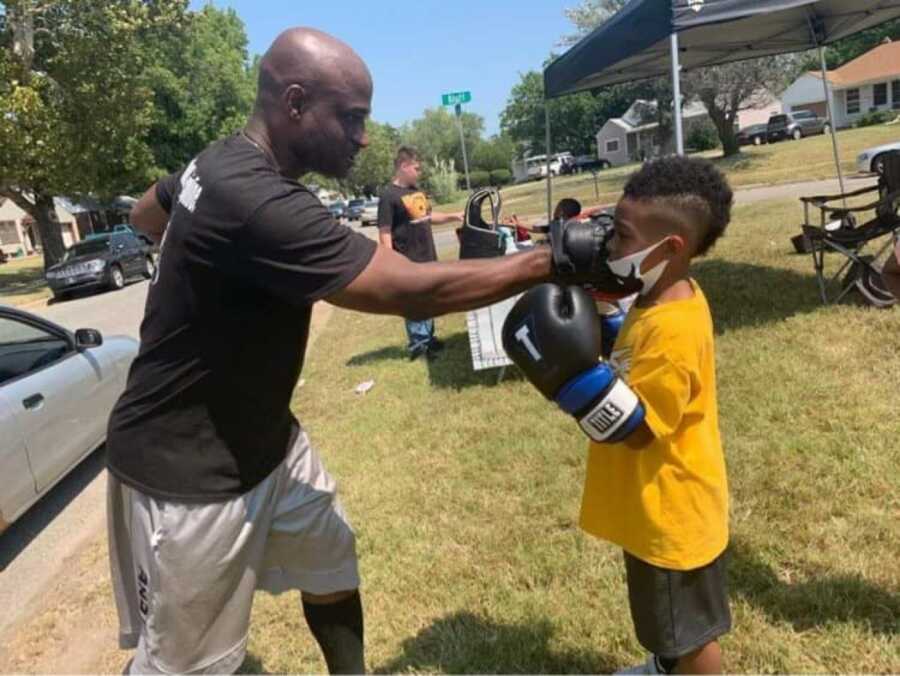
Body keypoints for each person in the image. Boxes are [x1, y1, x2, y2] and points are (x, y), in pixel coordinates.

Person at [105, 26, 613, 676]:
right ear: (294, 104)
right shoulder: (257, 200)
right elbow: (408, 291)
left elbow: (150, 211)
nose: (364, 137)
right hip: (187, 473)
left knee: (331, 562)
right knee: (188, 666)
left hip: (268, 442)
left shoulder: (219, 162)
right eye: (350, 118)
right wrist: (551, 261)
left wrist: (181, 250)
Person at [503, 156, 733, 674]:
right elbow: (634, 358)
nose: (611, 246)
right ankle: (663, 664)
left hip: (672, 509)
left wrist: (567, 375)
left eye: (623, 237)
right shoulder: (657, 301)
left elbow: (635, 428)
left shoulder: (673, 327)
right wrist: (597, 328)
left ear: (669, 248)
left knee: (690, 632)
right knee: (665, 621)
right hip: (653, 503)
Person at [377, 146, 463, 360]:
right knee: (414, 301)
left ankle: (429, 339)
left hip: (428, 255)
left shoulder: (417, 192)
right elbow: (384, 230)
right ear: (404, 166)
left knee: (429, 299)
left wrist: (454, 215)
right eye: (416, 168)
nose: (419, 172)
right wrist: (390, 262)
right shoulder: (388, 196)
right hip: (407, 259)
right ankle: (419, 345)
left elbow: (429, 217)